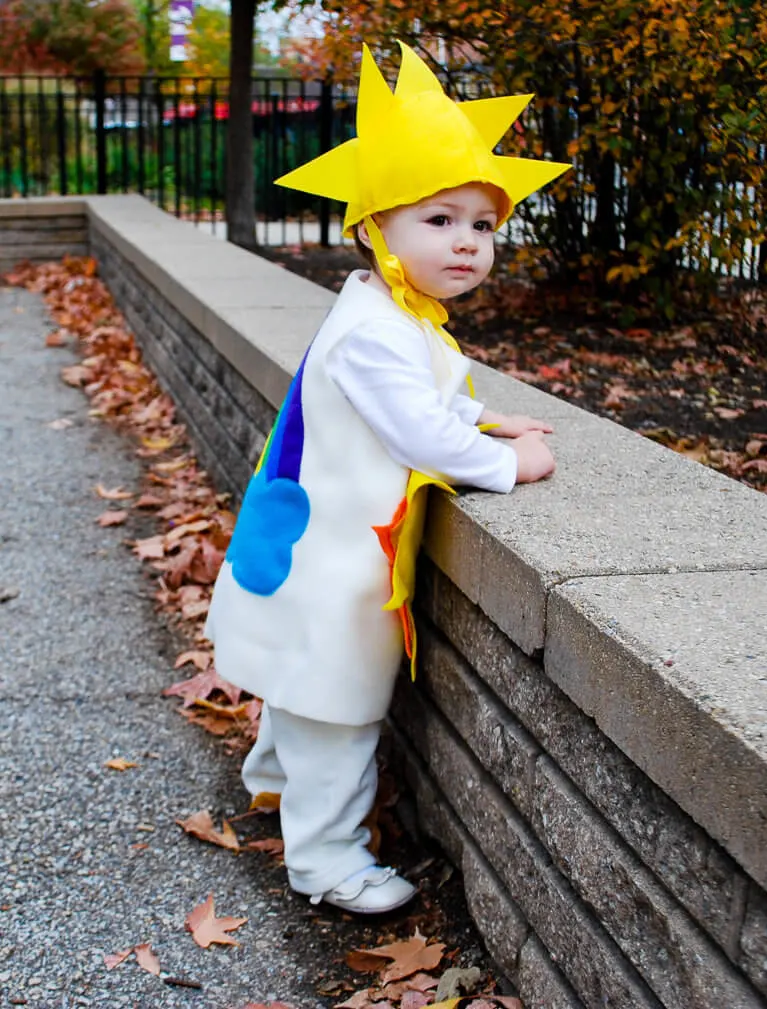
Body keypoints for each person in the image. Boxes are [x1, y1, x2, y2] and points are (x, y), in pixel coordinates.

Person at [203, 41, 570, 915]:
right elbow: (417, 431)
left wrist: (484, 415)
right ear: (373, 228)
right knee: (339, 705)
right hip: (333, 567)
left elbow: (414, 401)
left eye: (482, 225)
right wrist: (504, 461)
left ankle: (278, 775)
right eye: (439, 220)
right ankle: (324, 857)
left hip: (317, 554)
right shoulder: (376, 330)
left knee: (308, 682)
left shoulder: (388, 313)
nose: (468, 243)